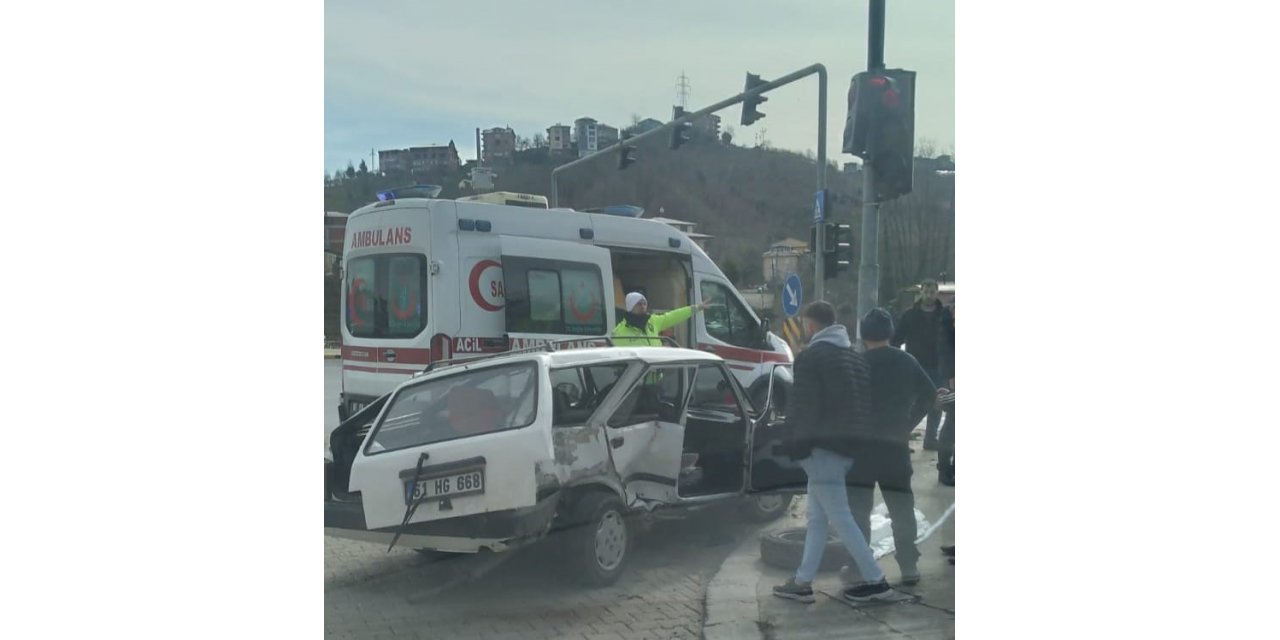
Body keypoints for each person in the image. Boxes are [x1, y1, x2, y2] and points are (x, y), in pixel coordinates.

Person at [772, 301, 894, 604]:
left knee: (839, 517)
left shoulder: (810, 358)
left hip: (821, 448)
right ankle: (802, 581)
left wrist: (795, 444)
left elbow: (804, 406)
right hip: (846, 448)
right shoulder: (853, 357)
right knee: (817, 519)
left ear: (811, 325)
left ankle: (875, 580)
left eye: (804, 323)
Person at [842, 308, 945, 587]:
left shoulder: (855, 364)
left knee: (858, 511)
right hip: (895, 447)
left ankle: (858, 565)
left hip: (860, 450)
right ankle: (909, 565)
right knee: (901, 508)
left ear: (863, 335)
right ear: (890, 333)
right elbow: (929, 397)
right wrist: (907, 424)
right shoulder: (907, 361)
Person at [892, 279, 952, 450]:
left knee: (937, 402)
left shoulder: (944, 315)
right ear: (921, 292)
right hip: (914, 364)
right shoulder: (910, 315)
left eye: (932, 292)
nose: (929, 295)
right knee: (911, 402)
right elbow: (898, 337)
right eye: (926, 291)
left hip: (938, 365)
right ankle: (901, 436)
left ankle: (931, 438)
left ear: (936, 293)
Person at [611, 292, 711, 346]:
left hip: (656, 378)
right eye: (638, 304)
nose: (642, 306)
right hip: (636, 381)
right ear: (630, 307)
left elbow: (674, 316)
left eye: (644, 303)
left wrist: (696, 308)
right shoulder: (619, 332)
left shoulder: (653, 321)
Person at [937, 299, 956, 486]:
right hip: (954, 374)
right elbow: (946, 347)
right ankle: (944, 468)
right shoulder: (950, 311)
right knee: (952, 423)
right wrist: (951, 374)